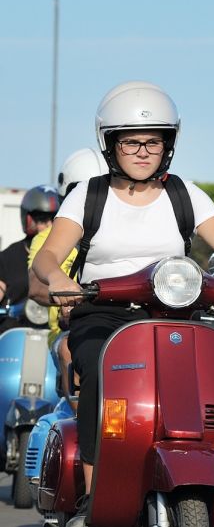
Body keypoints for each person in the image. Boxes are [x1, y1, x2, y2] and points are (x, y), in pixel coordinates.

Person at [32, 81, 214, 527]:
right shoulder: (88, 195)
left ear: (169, 145)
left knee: (210, 384)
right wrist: (58, 278)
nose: (143, 151)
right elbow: (49, 255)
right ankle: (92, 493)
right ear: (111, 145)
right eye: (131, 142)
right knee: (100, 377)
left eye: (154, 141)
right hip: (102, 311)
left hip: (171, 311)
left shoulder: (185, 195)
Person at [28, 148, 108, 405]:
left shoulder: (122, 237)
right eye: (81, 190)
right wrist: (69, 298)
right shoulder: (48, 238)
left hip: (122, 326)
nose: (91, 197)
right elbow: (35, 287)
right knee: (69, 349)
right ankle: (82, 421)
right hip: (71, 330)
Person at [0, 185, 59, 308]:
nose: (50, 226)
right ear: (28, 219)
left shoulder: (73, 254)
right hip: (17, 320)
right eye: (42, 219)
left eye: (56, 219)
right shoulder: (7, 258)